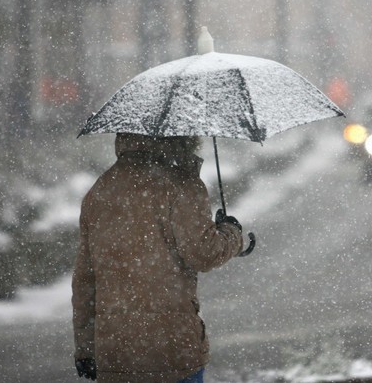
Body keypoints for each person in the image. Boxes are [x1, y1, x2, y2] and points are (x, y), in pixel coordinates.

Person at [72, 133, 244, 382]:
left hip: (115, 353)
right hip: (172, 351)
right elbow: (205, 254)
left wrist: (86, 348)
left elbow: (85, 282)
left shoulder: (100, 190)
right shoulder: (182, 185)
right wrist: (231, 233)